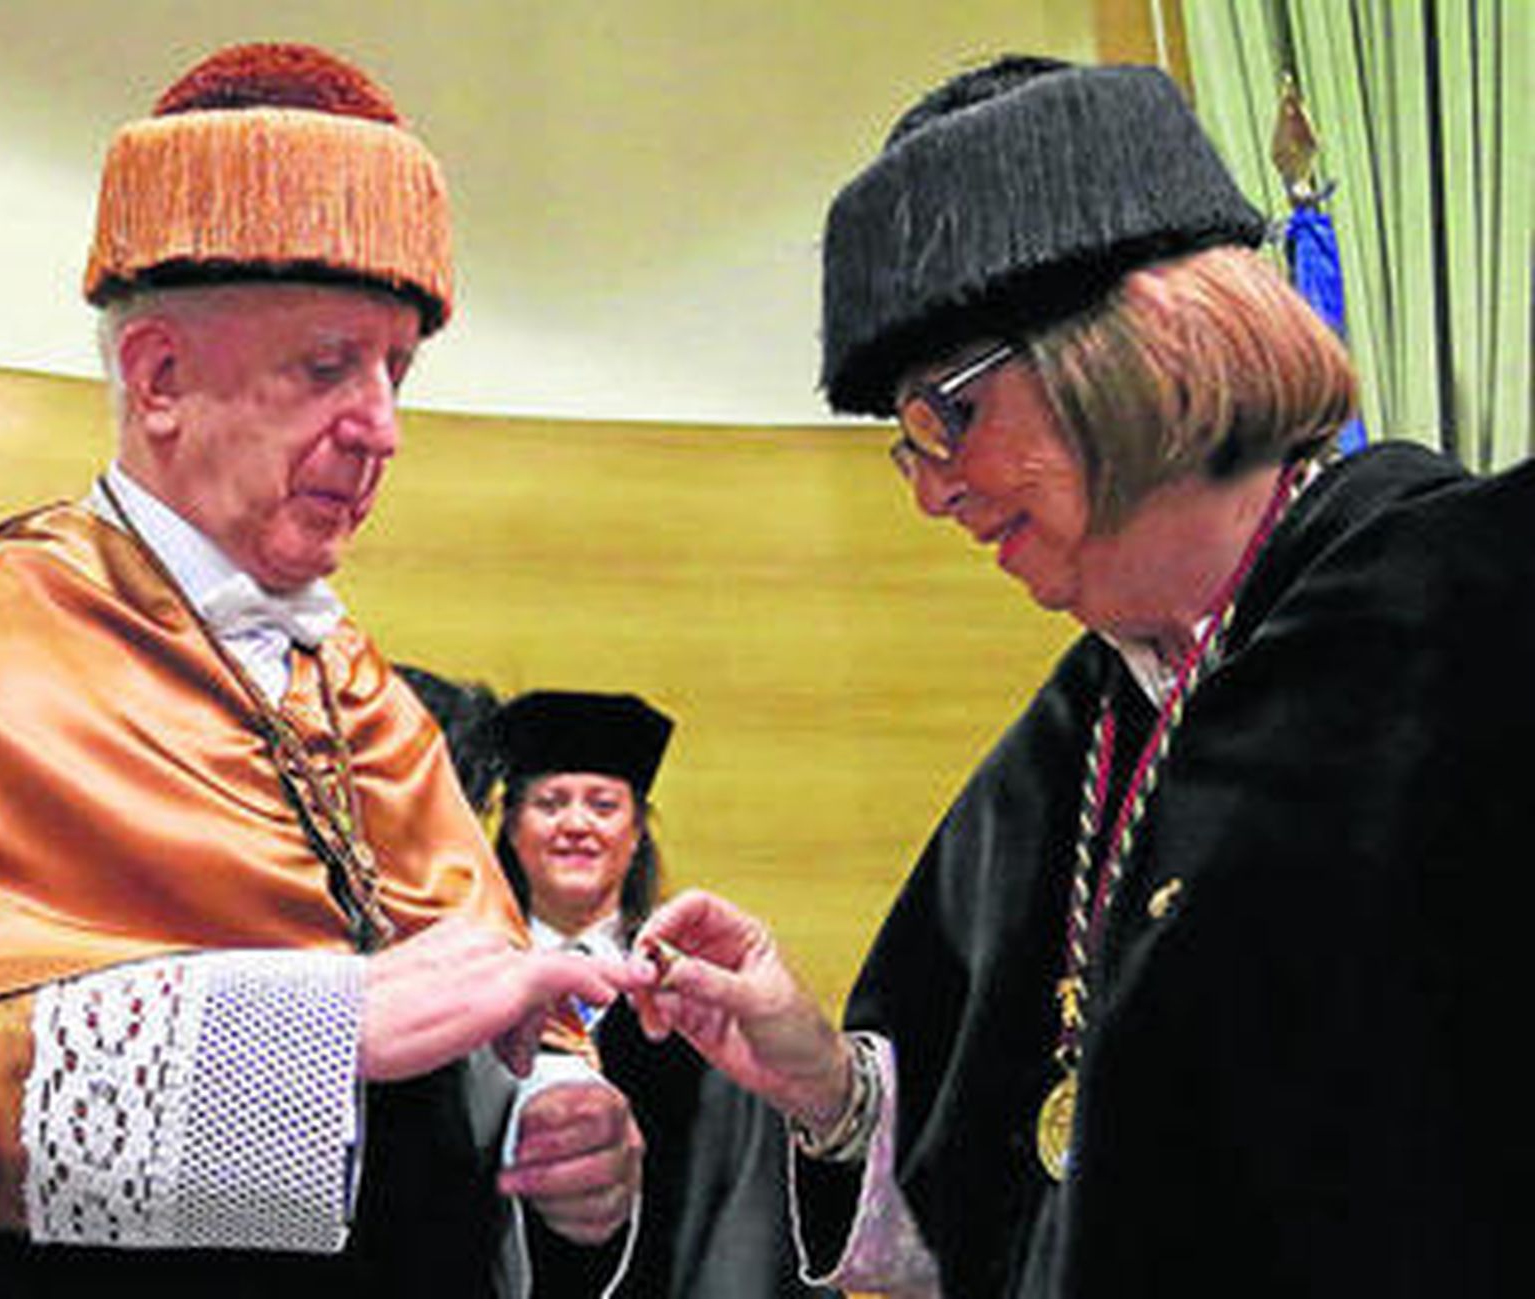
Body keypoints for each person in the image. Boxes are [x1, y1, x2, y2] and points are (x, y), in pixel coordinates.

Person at [629, 53, 1529, 1297]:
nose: (933, 492)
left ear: (1139, 347)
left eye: (951, 414)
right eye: (908, 444)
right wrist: (828, 1092)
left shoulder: (1467, 612)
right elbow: (1002, 1200)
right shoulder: (1072, 741)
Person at [0, 43, 649, 1297]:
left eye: (396, 372)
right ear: (160, 378)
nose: (383, 429)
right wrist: (310, 1037)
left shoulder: (369, 697)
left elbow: (471, 1033)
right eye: (328, 368)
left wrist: (551, 1125)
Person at [408, 678, 835, 1298]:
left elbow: (747, 1216)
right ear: (511, 829)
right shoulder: (455, 975)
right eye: (551, 804)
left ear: (636, 835)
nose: (576, 825)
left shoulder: (697, 992)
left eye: (604, 806)